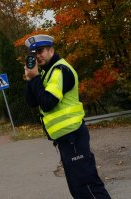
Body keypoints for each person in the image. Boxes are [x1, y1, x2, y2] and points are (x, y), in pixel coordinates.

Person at [24, 34, 111, 199]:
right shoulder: (46, 74)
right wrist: (30, 79)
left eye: (40, 51)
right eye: (34, 53)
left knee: (88, 185)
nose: (37, 56)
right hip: (65, 140)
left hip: (74, 137)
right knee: (78, 189)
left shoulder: (60, 70)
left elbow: (48, 102)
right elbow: (32, 102)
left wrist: (35, 78)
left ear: (51, 50)